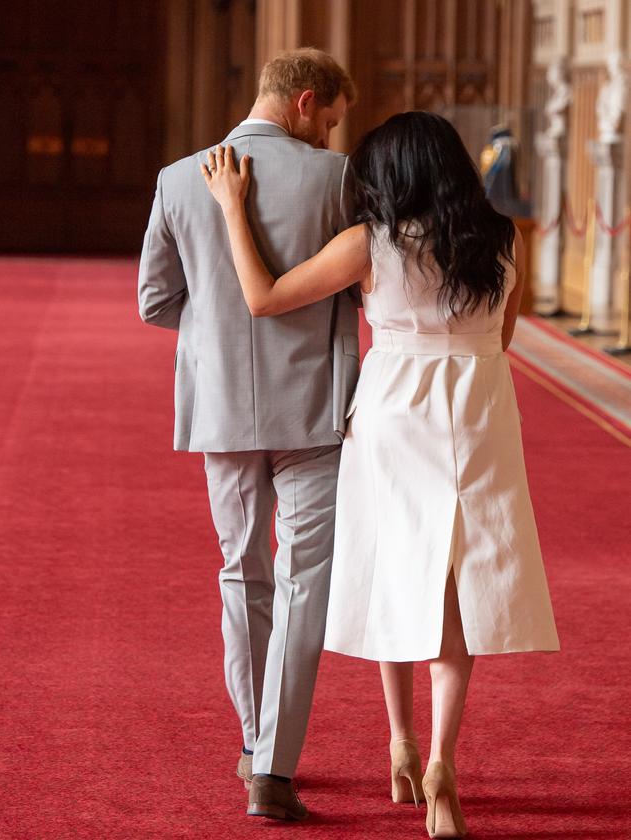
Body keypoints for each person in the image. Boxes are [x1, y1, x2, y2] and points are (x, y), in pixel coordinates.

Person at [202, 110, 560, 839]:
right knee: (459, 589)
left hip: (396, 411)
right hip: (480, 409)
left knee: (399, 575)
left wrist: (234, 209)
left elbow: (264, 297)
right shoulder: (502, 240)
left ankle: (398, 741)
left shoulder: (373, 243)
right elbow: (503, 339)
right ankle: (437, 762)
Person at [138, 48, 360, 822]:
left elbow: (153, 302)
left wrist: (215, 327)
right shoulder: (337, 182)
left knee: (242, 571)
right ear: (305, 101)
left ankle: (250, 737)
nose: (333, 134)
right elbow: (366, 284)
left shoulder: (177, 179)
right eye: (331, 119)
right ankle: (273, 765)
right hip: (316, 411)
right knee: (303, 586)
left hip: (222, 409)